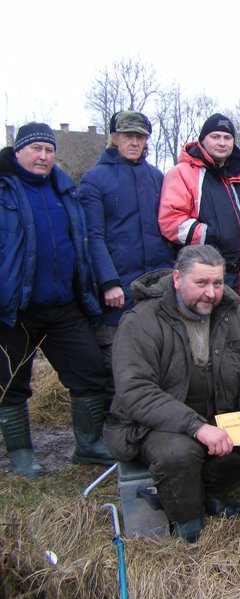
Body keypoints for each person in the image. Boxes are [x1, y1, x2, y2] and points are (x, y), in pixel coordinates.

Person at [104, 245, 240, 542]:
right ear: (177, 278)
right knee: (178, 453)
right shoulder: (140, 321)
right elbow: (136, 391)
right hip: (154, 424)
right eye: (201, 283)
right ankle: (187, 520)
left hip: (216, 413)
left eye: (217, 283)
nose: (211, 293)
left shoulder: (236, 315)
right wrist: (197, 427)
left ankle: (211, 490)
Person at [0, 123, 113, 477]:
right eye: (36, 149)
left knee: (89, 369)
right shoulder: (4, 189)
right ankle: (21, 456)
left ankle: (88, 444)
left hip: (65, 304)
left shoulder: (64, 189)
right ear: (18, 151)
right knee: (11, 380)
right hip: (15, 307)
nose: (44, 156)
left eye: (49, 150)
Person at [79, 111, 175, 370]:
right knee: (117, 362)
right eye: (128, 136)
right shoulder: (94, 179)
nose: (134, 142)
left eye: (140, 137)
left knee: (159, 357)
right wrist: (108, 282)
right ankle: (113, 412)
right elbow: (92, 237)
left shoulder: (157, 177)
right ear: (114, 138)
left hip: (157, 285)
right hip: (117, 291)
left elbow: (167, 228)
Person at [159, 113, 240, 301]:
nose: (222, 143)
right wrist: (214, 235)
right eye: (215, 137)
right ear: (202, 140)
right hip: (204, 282)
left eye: (227, 138)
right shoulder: (183, 172)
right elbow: (171, 222)